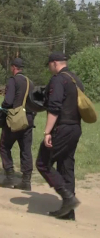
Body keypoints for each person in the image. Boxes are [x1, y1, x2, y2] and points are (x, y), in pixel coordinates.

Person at [36, 52, 83, 220]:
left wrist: (47, 131)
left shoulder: (58, 79)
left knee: (43, 163)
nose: (49, 68)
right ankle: (68, 212)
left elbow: (54, 108)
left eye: (49, 64)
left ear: (55, 63)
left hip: (61, 128)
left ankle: (68, 198)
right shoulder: (75, 79)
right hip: (75, 128)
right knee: (66, 166)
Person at [0, 58, 35, 191]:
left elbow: (8, 101)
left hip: (15, 119)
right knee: (26, 149)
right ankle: (26, 180)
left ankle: (9, 177)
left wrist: (1, 107)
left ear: (13, 67)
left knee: (4, 146)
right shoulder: (30, 82)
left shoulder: (13, 80)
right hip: (29, 119)